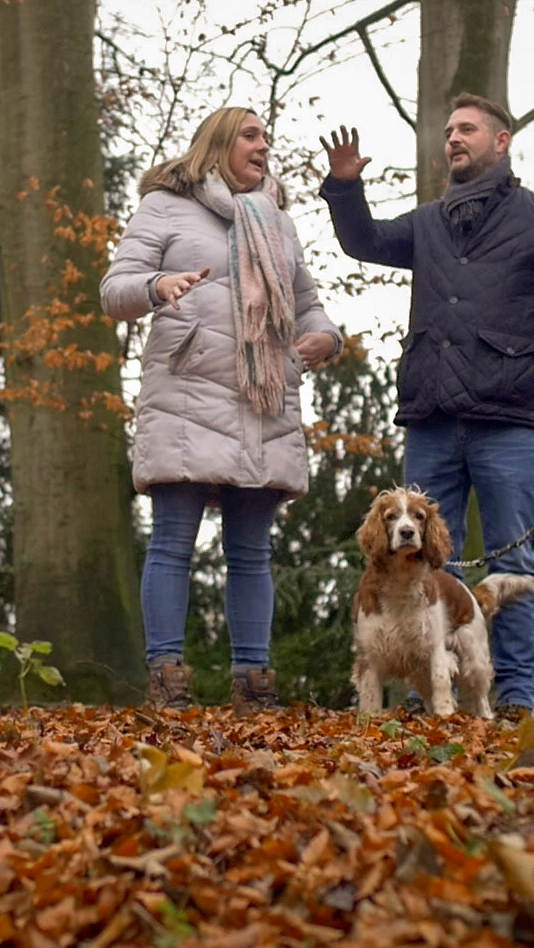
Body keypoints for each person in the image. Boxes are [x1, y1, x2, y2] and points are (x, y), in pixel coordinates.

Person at [317, 93, 534, 718]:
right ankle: (423, 695)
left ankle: (514, 695)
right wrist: (345, 188)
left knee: (514, 559)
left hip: (507, 418)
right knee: (424, 561)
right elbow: (366, 241)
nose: (453, 138)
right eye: (448, 130)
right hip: (431, 414)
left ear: (501, 141)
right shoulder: (429, 222)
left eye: (466, 129)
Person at [101, 106, 343, 712]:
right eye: (251, 135)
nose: (264, 145)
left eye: (266, 137)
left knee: (251, 551)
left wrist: (326, 338)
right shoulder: (164, 207)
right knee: (174, 541)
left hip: (262, 399)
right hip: (187, 390)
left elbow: (309, 305)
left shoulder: (277, 221)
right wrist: (158, 286)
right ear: (218, 145)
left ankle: (254, 685)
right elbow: (115, 291)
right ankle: (166, 679)